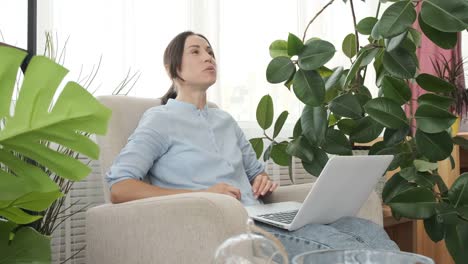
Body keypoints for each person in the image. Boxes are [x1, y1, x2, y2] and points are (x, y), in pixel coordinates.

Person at [106, 31, 398, 261]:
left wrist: (261, 180)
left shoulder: (225, 120)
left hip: (263, 215)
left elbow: (256, 173)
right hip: (230, 226)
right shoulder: (160, 120)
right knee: (339, 245)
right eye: (195, 51)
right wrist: (204, 194)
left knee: (365, 231)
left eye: (210, 51)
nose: (208, 57)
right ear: (174, 68)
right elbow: (120, 188)